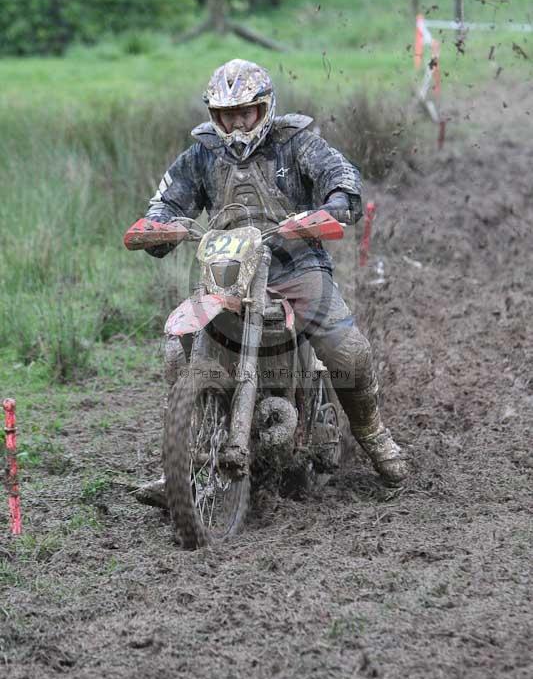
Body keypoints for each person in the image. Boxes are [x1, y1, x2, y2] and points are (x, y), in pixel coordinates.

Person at [136, 58, 407, 506]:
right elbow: (167, 198)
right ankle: (182, 465)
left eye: (245, 112)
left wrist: (336, 203)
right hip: (228, 273)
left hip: (297, 268)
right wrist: (158, 224)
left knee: (346, 350)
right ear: (214, 116)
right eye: (226, 114)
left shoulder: (295, 143)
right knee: (176, 348)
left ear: (264, 108)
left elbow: (340, 176)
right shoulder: (202, 153)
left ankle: (372, 432)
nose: (236, 123)